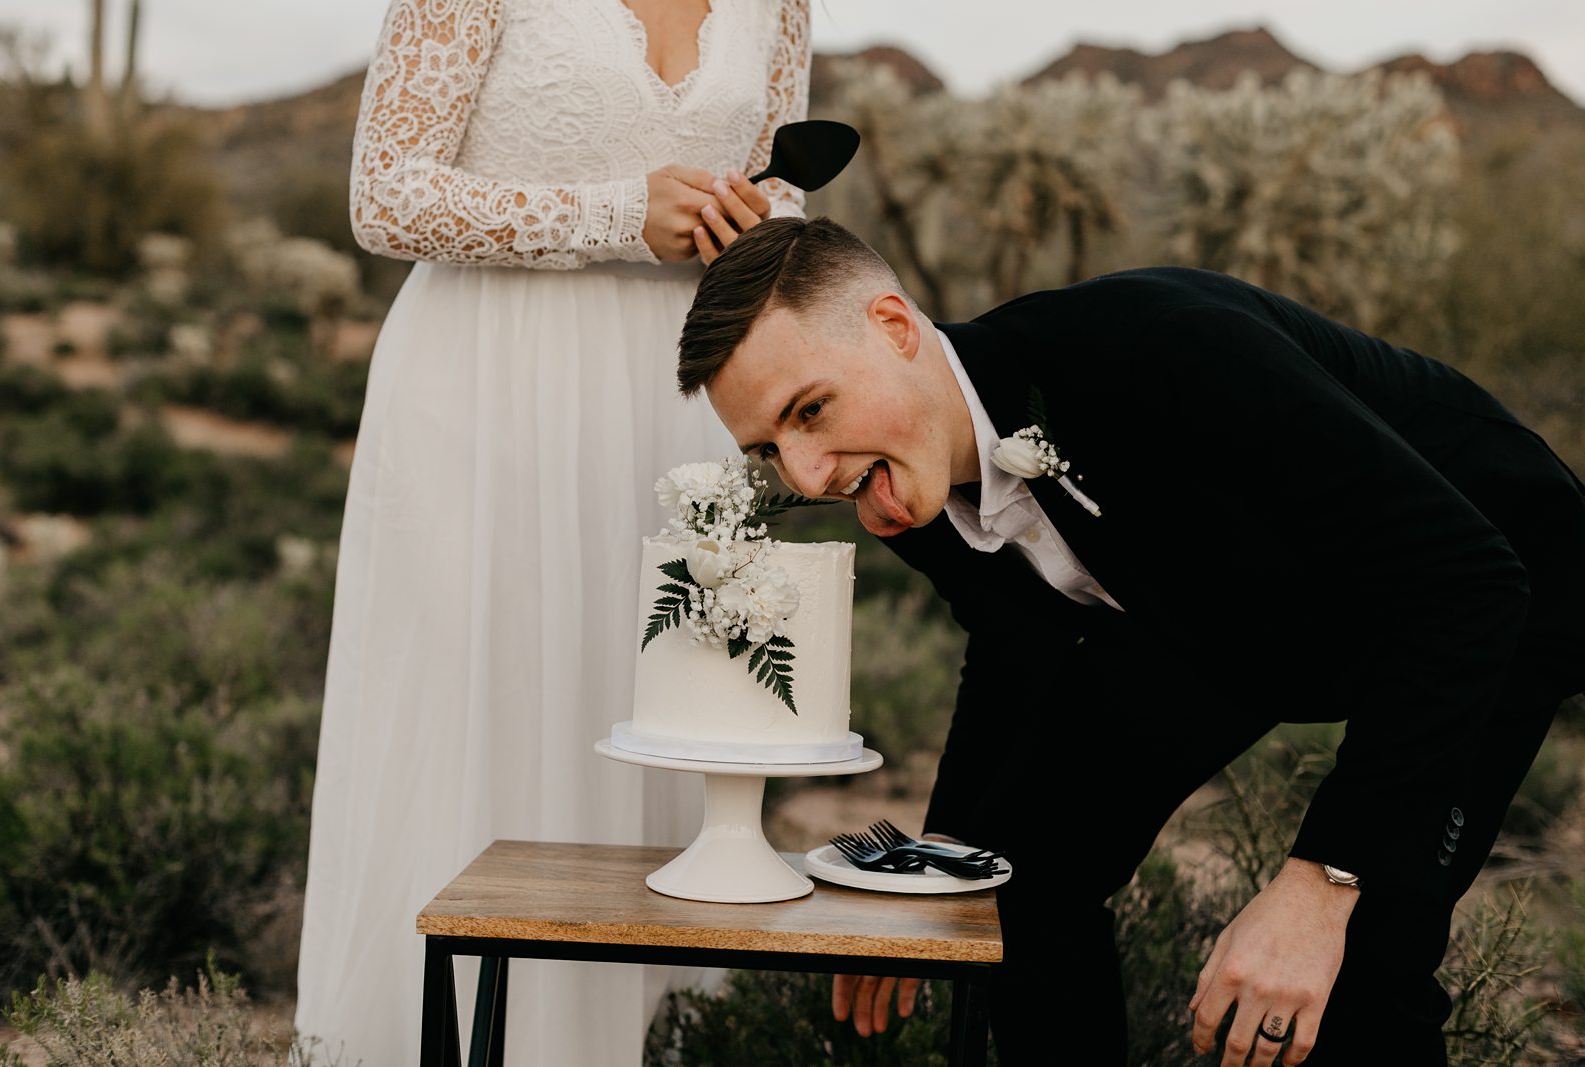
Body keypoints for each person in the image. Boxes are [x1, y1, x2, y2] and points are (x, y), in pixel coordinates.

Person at [674, 216, 1585, 1066]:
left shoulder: (1159, 347)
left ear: (894, 326)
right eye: (766, 450)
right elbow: (1014, 646)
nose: (806, 474)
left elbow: (1465, 578)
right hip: (1216, 607)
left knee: (1355, 956)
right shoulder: (902, 485)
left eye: (810, 410)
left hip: (1477, 584)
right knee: (1011, 895)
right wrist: (937, 871)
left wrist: (1323, 877)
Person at [294, 2, 810, 1063]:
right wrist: (616, 215)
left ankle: (631, 1035)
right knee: (484, 703)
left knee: (664, 706)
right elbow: (384, 193)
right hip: (490, 380)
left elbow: (778, 179)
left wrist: (756, 222)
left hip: (681, 393)